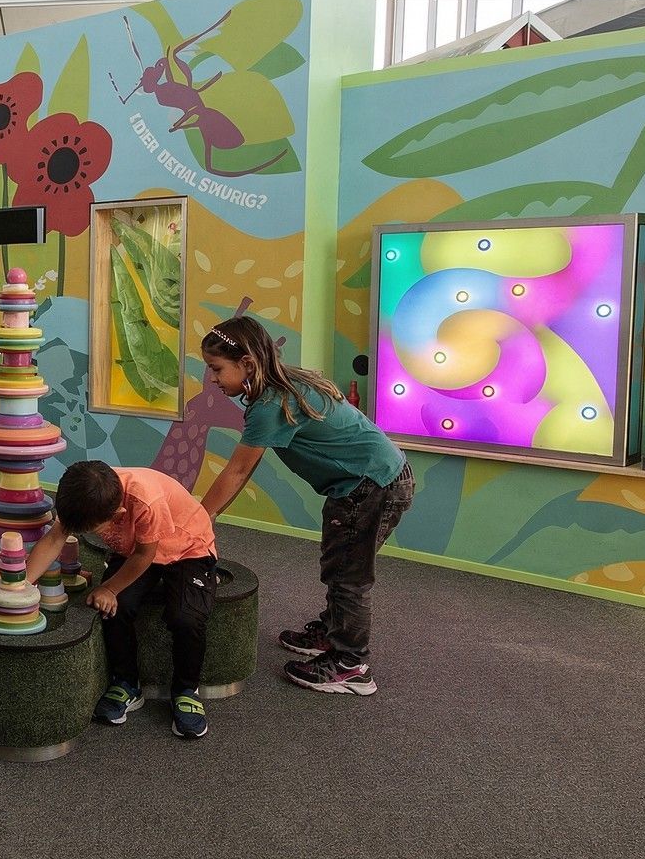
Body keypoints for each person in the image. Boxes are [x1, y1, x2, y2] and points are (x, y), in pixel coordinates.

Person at [196, 315, 414, 696]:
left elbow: (238, 471)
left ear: (248, 364)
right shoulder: (285, 383)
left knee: (349, 575)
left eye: (217, 369)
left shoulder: (271, 404)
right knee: (340, 563)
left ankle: (351, 664)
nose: (213, 378)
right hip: (370, 480)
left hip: (370, 486)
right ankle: (334, 632)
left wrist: (199, 517)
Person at [23, 460, 217, 738]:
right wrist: (22, 586)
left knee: (186, 616)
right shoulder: (84, 496)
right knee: (115, 608)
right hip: (134, 548)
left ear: (119, 513)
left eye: (93, 530)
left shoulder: (146, 500)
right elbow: (54, 540)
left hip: (188, 548)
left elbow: (145, 556)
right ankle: (126, 682)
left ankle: (186, 689)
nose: (88, 533)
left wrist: (109, 588)